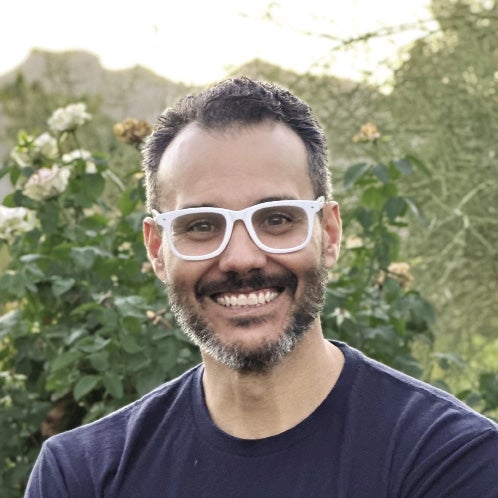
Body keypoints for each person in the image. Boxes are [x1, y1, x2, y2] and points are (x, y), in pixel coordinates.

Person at [25, 77, 498, 497]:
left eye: (276, 219)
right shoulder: (82, 476)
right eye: (202, 225)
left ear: (329, 235)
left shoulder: (449, 460)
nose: (242, 257)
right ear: (157, 249)